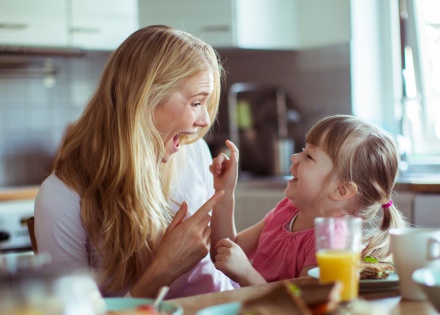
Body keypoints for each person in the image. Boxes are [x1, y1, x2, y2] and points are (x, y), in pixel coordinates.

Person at [34, 25, 229, 298]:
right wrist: (165, 268)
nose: (205, 121)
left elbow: (222, 261)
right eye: (196, 103)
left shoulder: (195, 153)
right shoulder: (62, 196)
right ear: (145, 98)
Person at [209, 114, 409, 287]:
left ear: (341, 190)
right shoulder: (286, 211)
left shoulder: (333, 241)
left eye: (309, 156)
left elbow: (304, 305)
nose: (295, 157)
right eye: (303, 150)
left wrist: (246, 274)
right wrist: (225, 191)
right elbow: (224, 251)